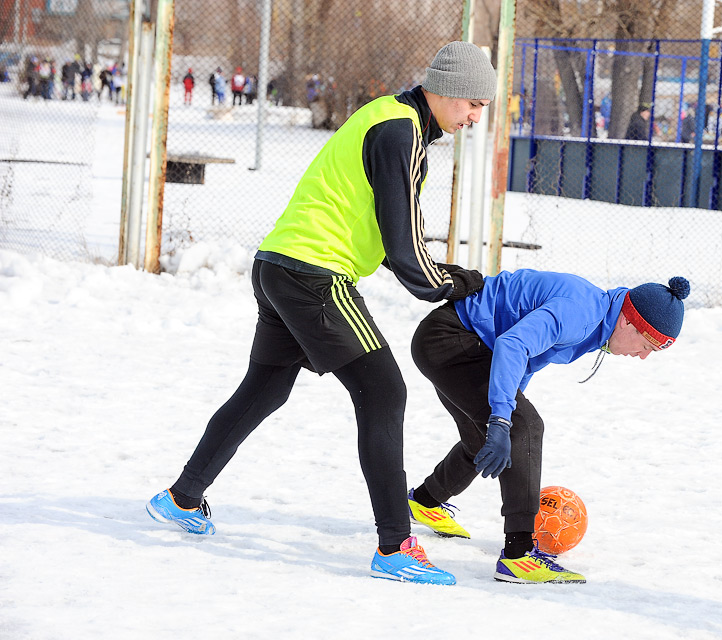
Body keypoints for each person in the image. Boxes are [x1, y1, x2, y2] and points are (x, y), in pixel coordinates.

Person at [146, 41, 498, 586]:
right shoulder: (401, 131)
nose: (476, 117)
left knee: (265, 390)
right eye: (474, 104)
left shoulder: (392, 118)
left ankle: (182, 498)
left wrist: (440, 275)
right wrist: (458, 283)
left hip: (278, 263)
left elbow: (392, 237)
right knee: (384, 392)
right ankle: (395, 546)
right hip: (315, 274)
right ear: (447, 89)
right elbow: (407, 253)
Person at [405, 270, 690, 584]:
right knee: (525, 428)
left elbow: (528, 358)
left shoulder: (598, 318)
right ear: (627, 321)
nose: (643, 356)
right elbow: (513, 344)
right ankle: (518, 555)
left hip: (462, 341)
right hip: (451, 340)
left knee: (489, 437)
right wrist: (502, 418)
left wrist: (506, 409)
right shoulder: (582, 312)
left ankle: (424, 501)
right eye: (647, 345)